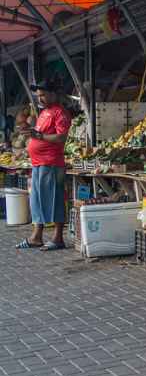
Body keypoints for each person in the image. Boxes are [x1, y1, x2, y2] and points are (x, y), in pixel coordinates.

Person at [15, 78, 70, 251]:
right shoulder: (44, 113)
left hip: (52, 163)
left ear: (54, 94)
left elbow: (61, 137)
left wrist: (38, 137)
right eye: (39, 96)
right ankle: (36, 237)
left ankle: (58, 238)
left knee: (55, 199)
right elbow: (40, 134)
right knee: (36, 201)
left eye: (43, 95)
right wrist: (30, 134)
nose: (40, 99)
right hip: (38, 163)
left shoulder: (60, 113)